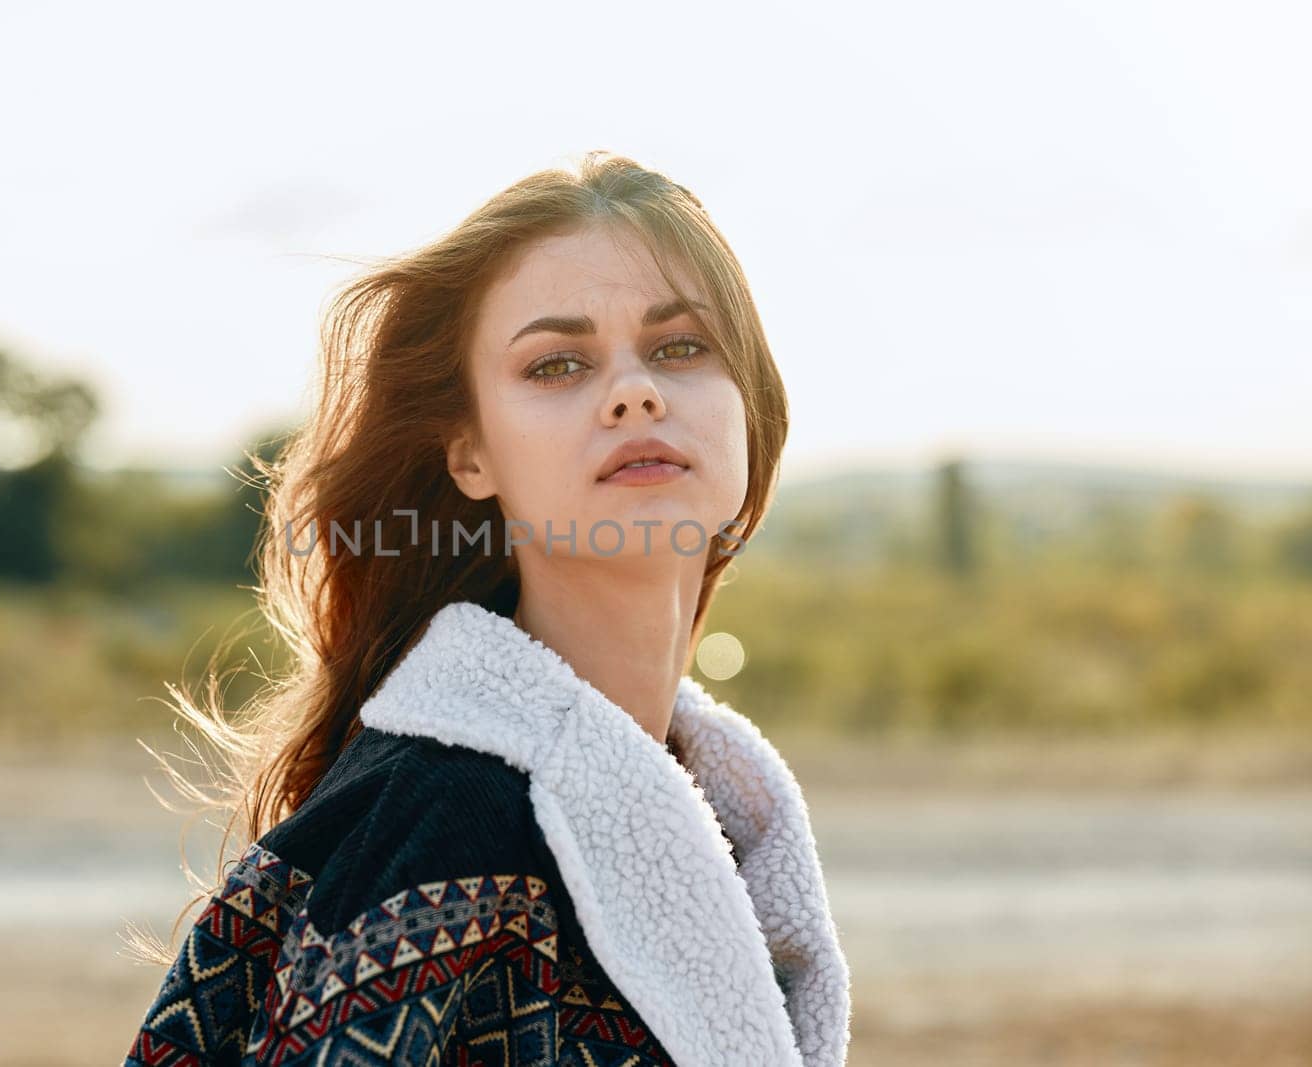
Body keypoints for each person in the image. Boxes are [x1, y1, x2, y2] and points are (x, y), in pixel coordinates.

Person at [121, 150, 852, 1067]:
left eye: (680, 347)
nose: (636, 390)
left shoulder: (724, 811)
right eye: (557, 365)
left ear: (749, 406)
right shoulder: (436, 816)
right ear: (471, 456)